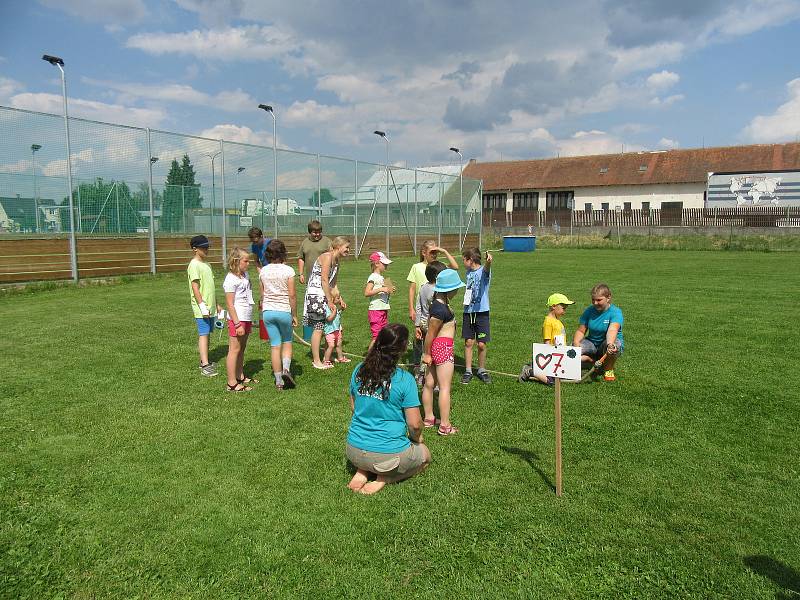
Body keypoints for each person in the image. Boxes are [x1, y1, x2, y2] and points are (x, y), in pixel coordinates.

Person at [346, 323, 431, 495]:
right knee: (425, 456)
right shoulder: (404, 380)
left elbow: (354, 407)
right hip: (387, 456)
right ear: (400, 350)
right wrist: (418, 439)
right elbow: (415, 424)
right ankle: (386, 478)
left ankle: (362, 470)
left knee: (369, 457)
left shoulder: (359, 370)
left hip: (353, 450)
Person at [421, 268, 465, 436]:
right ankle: (445, 426)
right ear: (450, 289)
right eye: (456, 289)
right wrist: (426, 353)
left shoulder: (440, 304)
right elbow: (431, 333)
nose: (457, 291)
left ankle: (429, 417)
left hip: (436, 348)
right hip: (443, 348)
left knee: (429, 384)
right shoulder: (440, 309)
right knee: (445, 387)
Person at [406, 240, 458, 366]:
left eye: (436, 252)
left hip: (438, 310)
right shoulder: (416, 267)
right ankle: (418, 366)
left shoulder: (440, 265)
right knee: (420, 340)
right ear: (424, 252)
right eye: (432, 252)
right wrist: (411, 308)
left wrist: (444, 251)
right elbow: (412, 288)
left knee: (433, 339)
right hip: (423, 310)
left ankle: (432, 365)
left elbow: (455, 267)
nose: (435, 254)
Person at [303, 236, 350, 369]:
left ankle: (324, 358)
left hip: (324, 294)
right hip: (316, 295)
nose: (348, 250)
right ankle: (317, 361)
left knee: (323, 327)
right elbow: (324, 279)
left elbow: (333, 284)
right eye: (346, 247)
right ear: (338, 246)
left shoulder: (337, 262)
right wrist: (330, 301)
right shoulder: (327, 257)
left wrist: (340, 298)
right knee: (318, 327)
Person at [259, 239, 298, 390]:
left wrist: (262, 308)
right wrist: (294, 314)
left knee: (275, 346)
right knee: (287, 341)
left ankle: (278, 381)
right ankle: (286, 370)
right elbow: (292, 295)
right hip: (283, 310)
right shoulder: (288, 270)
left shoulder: (263, 271)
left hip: (268, 311)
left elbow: (262, 294)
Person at [519, 293, 575, 384]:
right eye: (563, 308)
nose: (565, 311)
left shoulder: (557, 321)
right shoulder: (548, 322)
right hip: (552, 355)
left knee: (565, 375)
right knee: (552, 382)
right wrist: (550, 358)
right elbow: (547, 341)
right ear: (554, 306)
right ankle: (530, 371)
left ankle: (536, 369)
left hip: (559, 354)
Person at [572, 283, 624, 382]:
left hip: (607, 342)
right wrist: (576, 343)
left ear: (608, 298)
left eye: (599, 300)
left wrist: (610, 344)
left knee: (614, 346)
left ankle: (608, 370)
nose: (595, 303)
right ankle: (591, 361)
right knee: (571, 351)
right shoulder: (589, 311)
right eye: (593, 300)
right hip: (592, 343)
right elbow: (581, 330)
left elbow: (612, 330)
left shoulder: (615, 312)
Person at [223, 247, 256, 392]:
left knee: (242, 348)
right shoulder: (230, 279)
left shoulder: (245, 275)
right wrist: (237, 324)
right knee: (234, 349)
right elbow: (230, 303)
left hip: (246, 316)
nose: (249, 263)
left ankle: (239, 375)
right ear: (236, 261)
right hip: (238, 318)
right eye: (246, 261)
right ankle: (231, 383)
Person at [187, 235, 220, 377]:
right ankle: (205, 364)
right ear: (195, 249)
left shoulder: (207, 265)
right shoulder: (194, 265)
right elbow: (195, 287)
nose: (207, 249)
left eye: (208, 247)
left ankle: (205, 359)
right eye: (203, 247)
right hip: (202, 307)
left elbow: (211, 287)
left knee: (208, 333)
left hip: (210, 306)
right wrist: (201, 305)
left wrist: (217, 304)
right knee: (203, 333)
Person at [461, 247, 493, 384]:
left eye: (464, 260)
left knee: (481, 344)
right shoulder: (468, 272)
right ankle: (468, 371)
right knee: (468, 342)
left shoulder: (484, 271)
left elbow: (485, 269)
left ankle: (481, 369)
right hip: (468, 312)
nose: (463, 262)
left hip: (482, 313)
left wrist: (488, 262)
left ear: (471, 260)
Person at [414, 260, 447, 385]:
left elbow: (418, 306)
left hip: (422, 323)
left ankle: (422, 376)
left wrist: (417, 325)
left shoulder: (423, 287)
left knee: (425, 350)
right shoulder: (438, 290)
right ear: (438, 276)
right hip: (433, 324)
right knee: (435, 351)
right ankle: (436, 381)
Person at [364, 251, 396, 348]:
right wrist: (382, 289)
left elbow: (385, 290)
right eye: (384, 264)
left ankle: (379, 356)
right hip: (375, 310)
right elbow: (367, 292)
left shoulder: (380, 277)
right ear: (377, 264)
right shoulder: (373, 277)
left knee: (382, 335)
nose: (386, 266)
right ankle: (369, 358)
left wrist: (390, 289)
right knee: (376, 336)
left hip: (382, 309)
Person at [297, 220, 332, 284]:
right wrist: (301, 274)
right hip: (310, 278)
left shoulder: (327, 241)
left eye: (319, 232)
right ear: (310, 232)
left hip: (324, 277)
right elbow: (301, 258)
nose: (317, 234)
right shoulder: (305, 242)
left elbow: (333, 257)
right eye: (315, 232)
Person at [322, 291, 350, 366]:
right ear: (332, 299)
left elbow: (338, 315)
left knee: (338, 344)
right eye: (338, 298)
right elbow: (329, 319)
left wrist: (341, 309)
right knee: (331, 345)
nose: (340, 299)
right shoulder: (328, 308)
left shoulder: (335, 307)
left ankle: (340, 358)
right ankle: (326, 360)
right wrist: (334, 311)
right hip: (330, 331)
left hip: (337, 330)